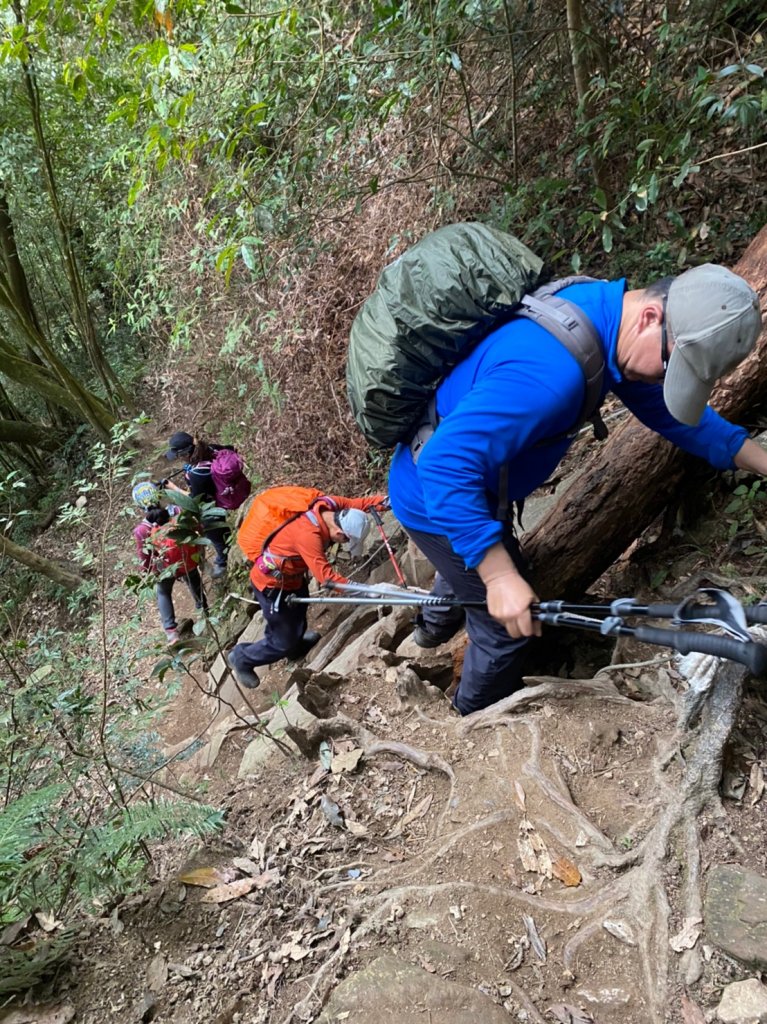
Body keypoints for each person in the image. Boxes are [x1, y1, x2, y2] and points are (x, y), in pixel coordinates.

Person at [388, 263, 764, 716]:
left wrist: (758, 459)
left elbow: (676, 418)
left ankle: (428, 630)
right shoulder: (554, 373)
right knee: (504, 631)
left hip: (473, 483)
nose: (666, 382)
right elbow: (445, 466)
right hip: (434, 494)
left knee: (465, 566)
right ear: (650, 317)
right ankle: (462, 725)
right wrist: (500, 577)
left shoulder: (601, 316)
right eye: (672, 368)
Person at [226, 492, 387, 689]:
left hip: (292, 578)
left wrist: (385, 502)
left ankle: (295, 647)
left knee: (299, 612)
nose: (344, 544)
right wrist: (368, 591)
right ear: (339, 533)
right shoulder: (308, 536)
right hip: (272, 586)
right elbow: (328, 579)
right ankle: (242, 657)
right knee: (282, 640)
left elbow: (358, 502)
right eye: (346, 541)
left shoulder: (330, 506)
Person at [132, 482, 208, 643]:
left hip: (164, 568)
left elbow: (144, 557)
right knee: (194, 582)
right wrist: (200, 550)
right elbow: (197, 527)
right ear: (159, 496)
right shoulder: (177, 511)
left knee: (163, 592)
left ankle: (171, 632)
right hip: (186, 559)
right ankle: (205, 614)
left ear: (139, 506)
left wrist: (146, 574)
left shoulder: (141, 530)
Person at [164, 434, 232, 579]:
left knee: (214, 533)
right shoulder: (210, 449)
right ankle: (227, 544)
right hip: (222, 493)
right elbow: (230, 449)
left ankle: (223, 563)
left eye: (179, 455)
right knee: (221, 531)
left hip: (212, 506)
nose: (179, 458)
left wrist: (173, 488)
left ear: (185, 453)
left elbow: (193, 501)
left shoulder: (197, 474)